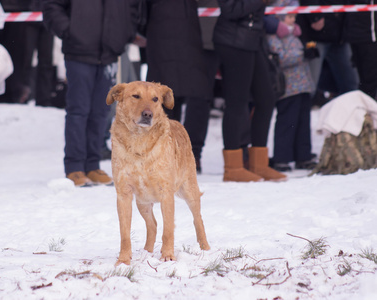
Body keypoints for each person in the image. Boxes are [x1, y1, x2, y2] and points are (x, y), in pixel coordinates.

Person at [42, 0, 140, 187]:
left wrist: (125, 34)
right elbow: (52, 6)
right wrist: (69, 31)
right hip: (79, 52)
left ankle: (92, 165)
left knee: (101, 111)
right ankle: (74, 167)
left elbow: (132, 8)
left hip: (110, 52)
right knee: (79, 111)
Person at [213, 0, 287, 182]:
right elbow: (230, 10)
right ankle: (232, 167)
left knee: (266, 99)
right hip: (233, 41)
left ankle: (259, 164)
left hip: (253, 40)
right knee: (236, 103)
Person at [144, 0, 212, 174]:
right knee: (164, 99)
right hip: (161, 35)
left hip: (193, 38)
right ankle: (164, 153)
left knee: (199, 96)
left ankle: (191, 153)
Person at [267, 4, 317, 172]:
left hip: (302, 84)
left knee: (303, 122)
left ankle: (303, 155)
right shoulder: (274, 36)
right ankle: (282, 157)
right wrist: (303, 53)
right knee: (287, 122)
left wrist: (310, 50)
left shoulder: (295, 34)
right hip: (288, 87)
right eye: (289, 17)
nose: (292, 20)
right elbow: (279, 58)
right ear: (279, 18)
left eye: (294, 17)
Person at [297, 0, 358, 102]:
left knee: (350, 83)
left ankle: (350, 112)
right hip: (315, 37)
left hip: (340, 36)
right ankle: (304, 113)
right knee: (310, 84)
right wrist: (315, 17)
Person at [21, 0, 55, 107]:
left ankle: (44, 99)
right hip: (29, 15)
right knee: (26, 59)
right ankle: (23, 95)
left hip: (48, 20)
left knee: (46, 61)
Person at [344, 0, 377, 100]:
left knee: (365, 79)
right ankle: (367, 110)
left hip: (360, 34)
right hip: (366, 36)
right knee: (367, 80)